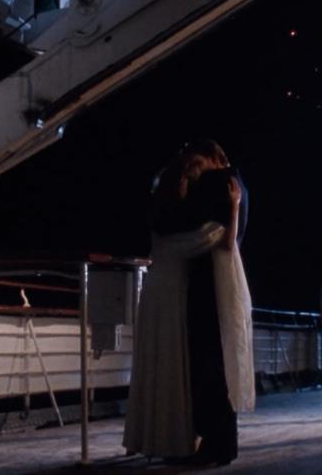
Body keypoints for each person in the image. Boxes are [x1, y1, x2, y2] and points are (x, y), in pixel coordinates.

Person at [123, 142, 254, 464]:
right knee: (206, 367)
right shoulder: (201, 214)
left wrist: (232, 207)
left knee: (186, 367)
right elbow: (225, 241)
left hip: (172, 292)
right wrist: (234, 207)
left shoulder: (168, 220)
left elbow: (218, 240)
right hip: (191, 290)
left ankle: (191, 440)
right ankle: (210, 443)